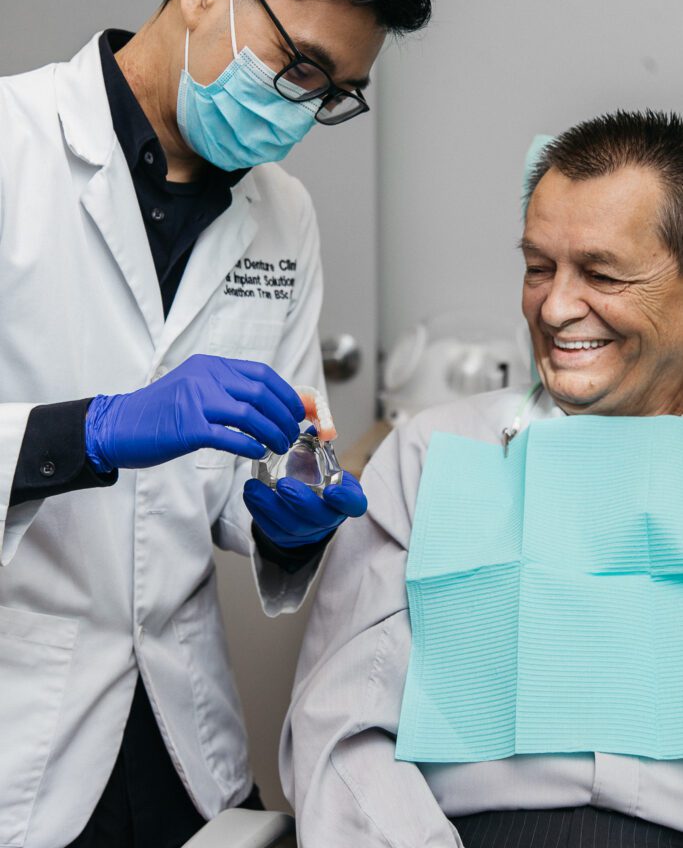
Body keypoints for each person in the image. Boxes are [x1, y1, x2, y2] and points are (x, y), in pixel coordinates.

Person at [0, 0, 431, 848]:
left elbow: (270, 456)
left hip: (184, 743)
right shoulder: (14, 150)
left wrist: (289, 516)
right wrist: (94, 430)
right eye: (300, 68)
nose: (303, 110)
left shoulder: (282, 215)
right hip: (23, 727)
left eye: (336, 92)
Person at [283, 110, 683, 848]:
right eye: (538, 267)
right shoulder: (438, 453)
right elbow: (342, 728)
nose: (555, 308)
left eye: (600, 274)